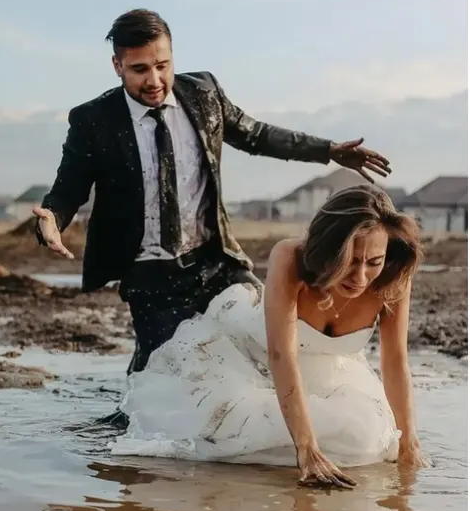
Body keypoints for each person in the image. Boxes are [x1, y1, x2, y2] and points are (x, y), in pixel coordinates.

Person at [31, 9, 392, 424]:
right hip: (150, 275)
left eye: (163, 65)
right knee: (161, 378)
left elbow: (257, 135)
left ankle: (281, 425)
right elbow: (68, 189)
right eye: (140, 69)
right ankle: (128, 428)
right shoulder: (93, 120)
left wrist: (327, 150)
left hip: (217, 261)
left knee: (266, 342)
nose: (154, 80)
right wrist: (51, 219)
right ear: (118, 66)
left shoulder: (203, 93)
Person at [111, 186, 429, 488]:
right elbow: (282, 354)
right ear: (327, 251)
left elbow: (395, 361)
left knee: (367, 441)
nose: (360, 277)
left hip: (322, 373)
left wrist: (409, 442)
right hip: (246, 355)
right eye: (349, 261)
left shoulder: (394, 278)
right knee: (227, 436)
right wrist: (307, 449)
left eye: (373, 262)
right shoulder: (290, 257)